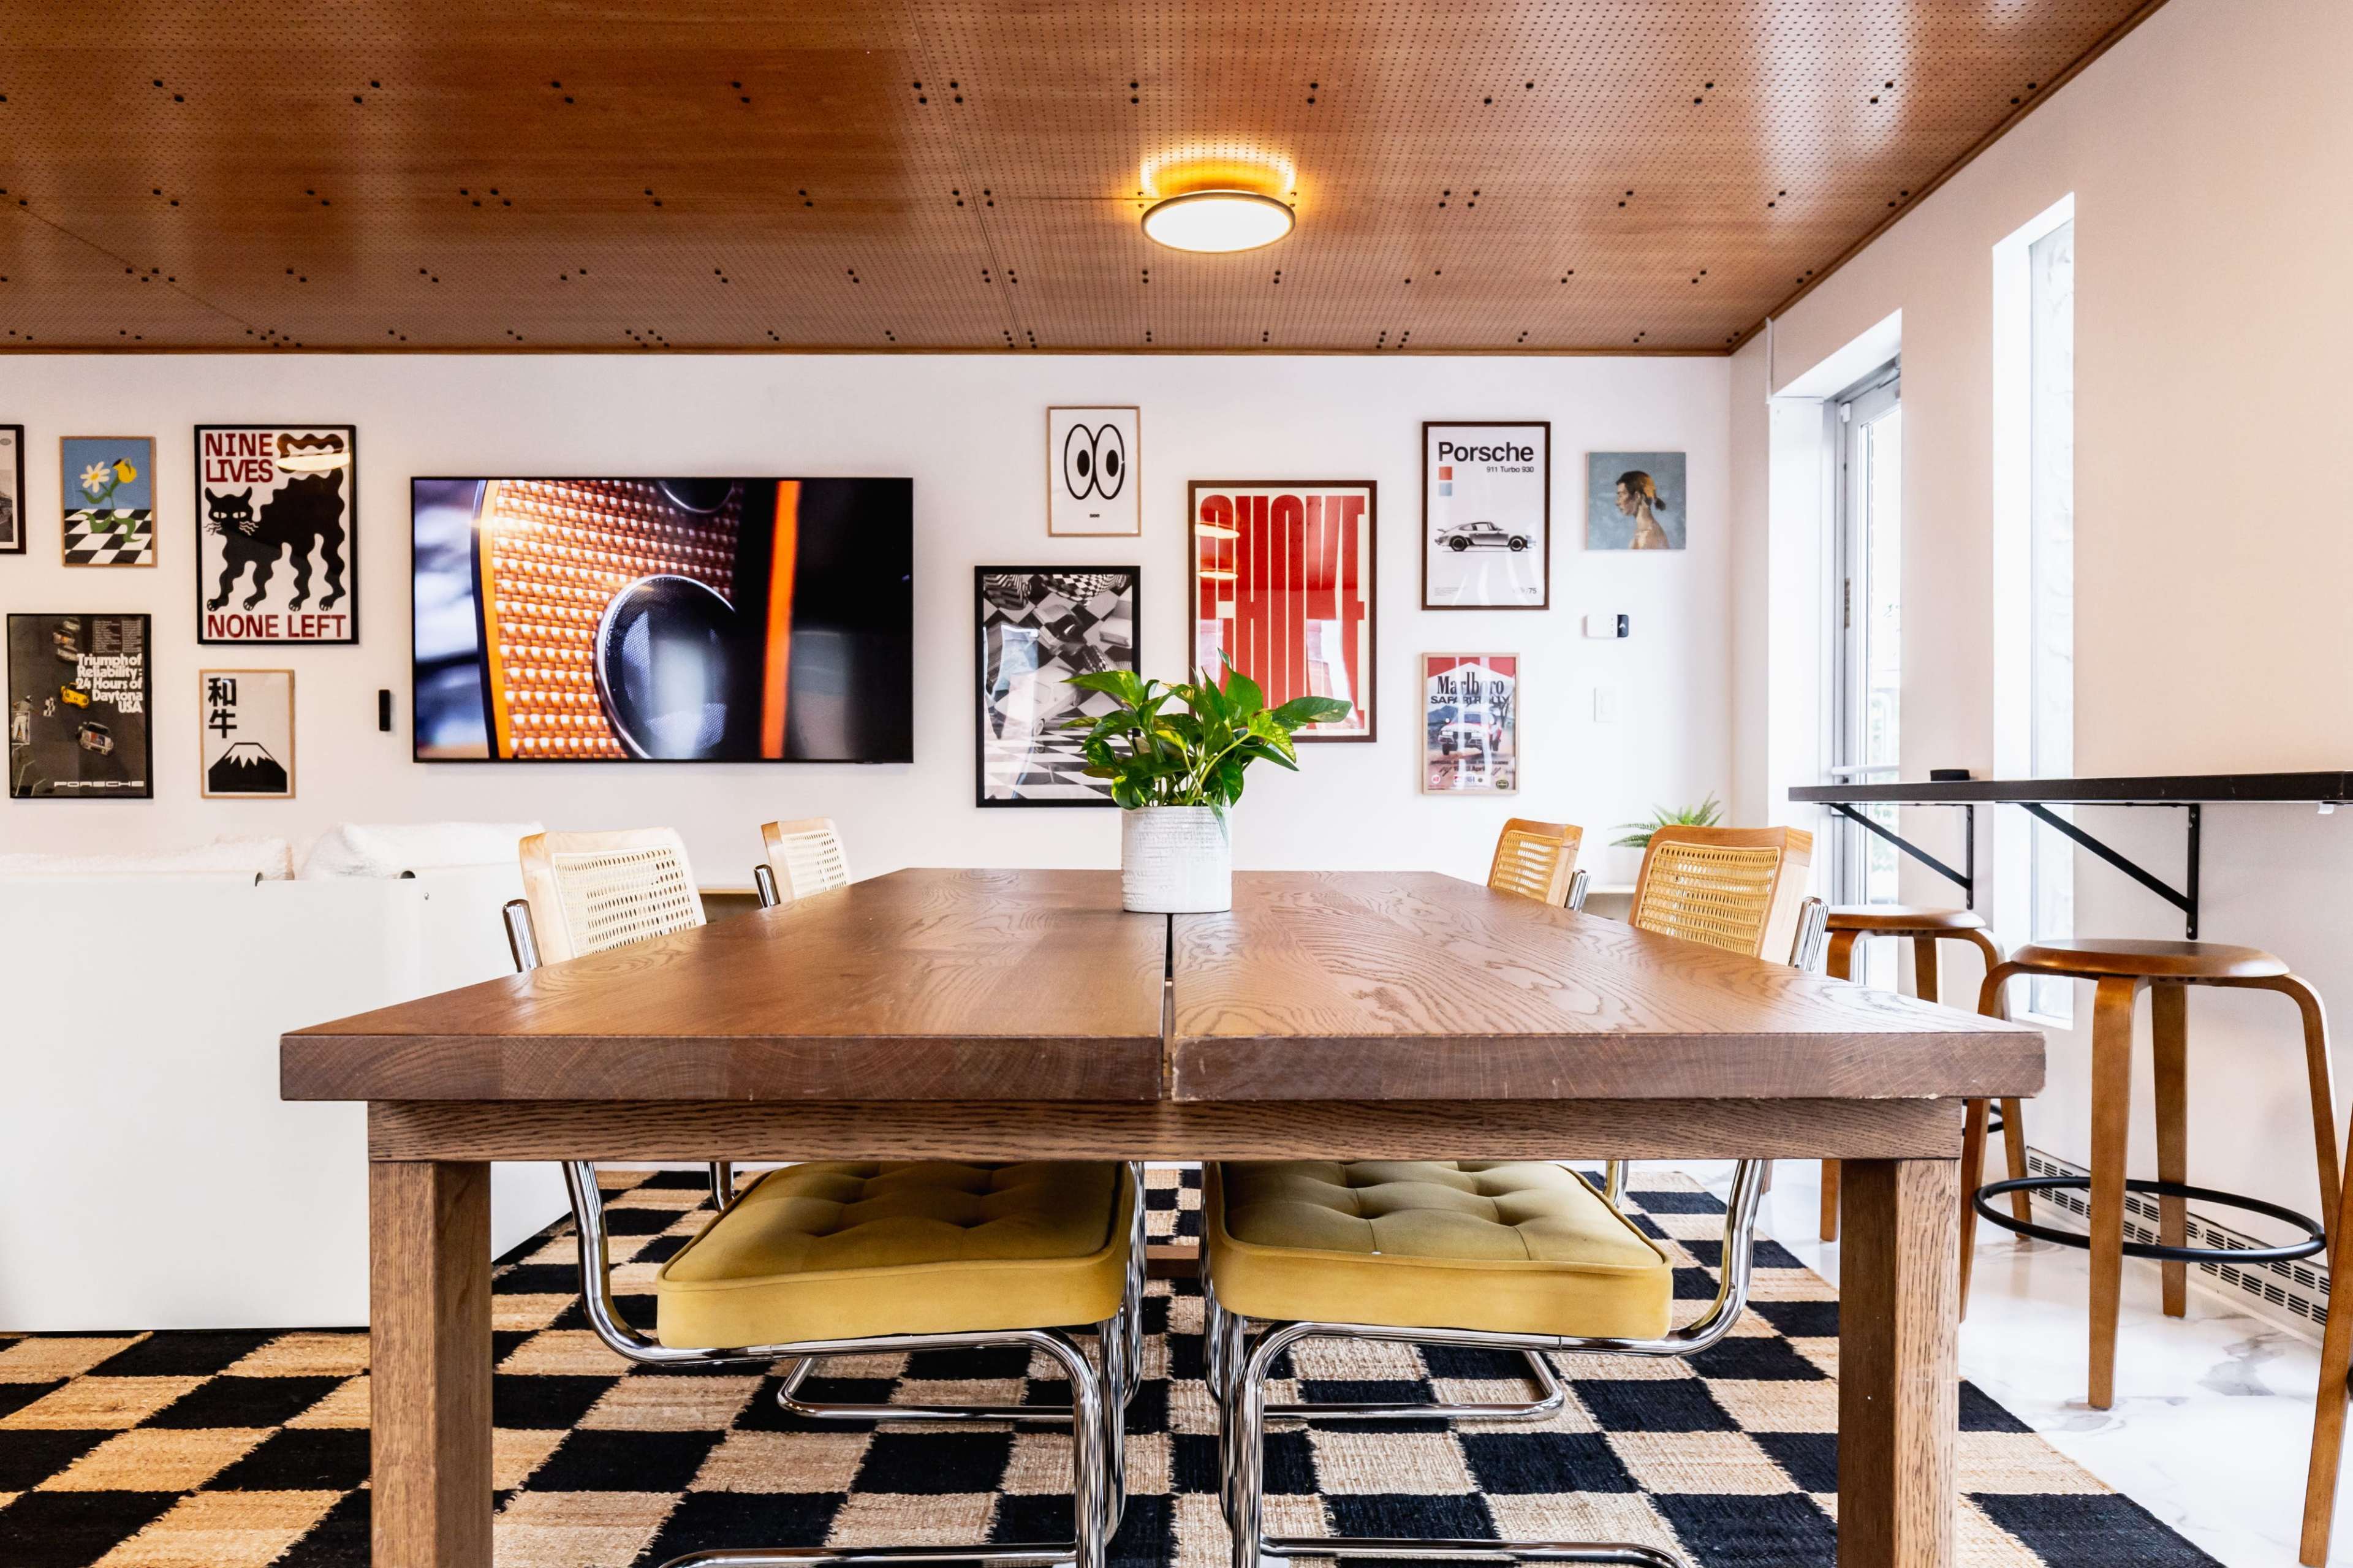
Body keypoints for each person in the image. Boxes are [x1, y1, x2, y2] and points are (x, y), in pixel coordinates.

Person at [1614, 470, 1673, 550]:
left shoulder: (1647, 536)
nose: (1617, 503)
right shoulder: (1645, 531)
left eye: (1621, 495)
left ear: (1637, 496)